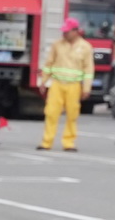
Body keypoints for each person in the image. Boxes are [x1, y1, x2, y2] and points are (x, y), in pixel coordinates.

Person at [38, 18, 92, 152]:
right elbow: (49, 64)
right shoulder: (57, 45)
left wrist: (86, 88)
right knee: (51, 113)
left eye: (67, 32)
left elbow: (88, 69)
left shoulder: (85, 47)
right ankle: (46, 142)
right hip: (57, 84)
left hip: (74, 85)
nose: (64, 34)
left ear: (76, 31)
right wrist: (43, 81)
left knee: (72, 114)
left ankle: (69, 143)